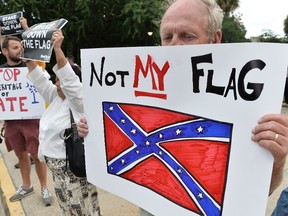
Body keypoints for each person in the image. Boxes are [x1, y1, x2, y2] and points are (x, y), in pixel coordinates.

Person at [78, 0, 288, 215]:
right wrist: (93, 128)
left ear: (215, 39)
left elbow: (248, 199)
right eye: (167, 37)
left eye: (187, 36)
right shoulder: (143, 90)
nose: (174, 46)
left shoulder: (245, 104)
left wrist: (276, 162)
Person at [25, 29, 101, 215]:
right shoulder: (55, 97)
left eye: (61, 80)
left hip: (73, 170)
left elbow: (69, 81)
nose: (58, 84)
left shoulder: (79, 100)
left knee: (82, 208)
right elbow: (39, 79)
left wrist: (57, 49)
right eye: (56, 80)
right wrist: (28, 55)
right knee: (67, 208)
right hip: (57, 172)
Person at [1, 36, 53, 206]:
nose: (19, 50)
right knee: (21, 155)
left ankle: (45, 188)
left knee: (37, 156)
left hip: (32, 121)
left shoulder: (31, 67)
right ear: (5, 51)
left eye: (20, 47)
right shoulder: (1, 72)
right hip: (12, 122)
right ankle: (26, 186)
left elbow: (45, 86)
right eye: (15, 47)